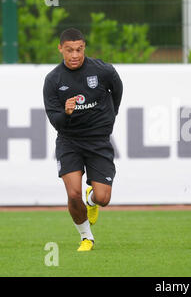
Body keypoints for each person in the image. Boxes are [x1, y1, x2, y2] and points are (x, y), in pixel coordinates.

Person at [43, 28, 123, 251]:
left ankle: (91, 201)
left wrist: (110, 115)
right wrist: (66, 113)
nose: (75, 55)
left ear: (84, 47)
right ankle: (86, 237)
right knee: (73, 193)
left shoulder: (103, 71)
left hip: (98, 141)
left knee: (103, 198)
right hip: (69, 141)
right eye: (69, 50)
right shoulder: (53, 80)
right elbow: (55, 120)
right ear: (60, 49)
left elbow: (117, 91)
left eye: (79, 49)